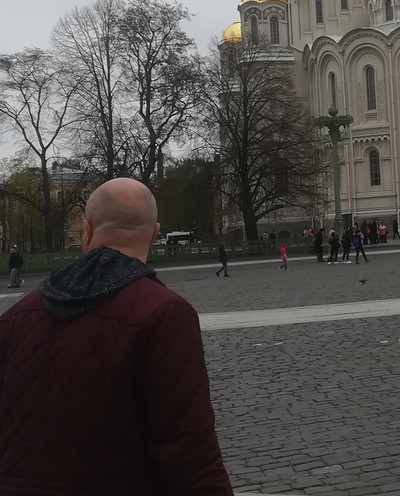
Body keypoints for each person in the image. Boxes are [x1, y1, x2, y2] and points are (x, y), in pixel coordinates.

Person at [0, 178, 233, 494]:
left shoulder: (16, 316)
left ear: (87, 230)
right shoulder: (164, 313)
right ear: (154, 233)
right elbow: (190, 454)